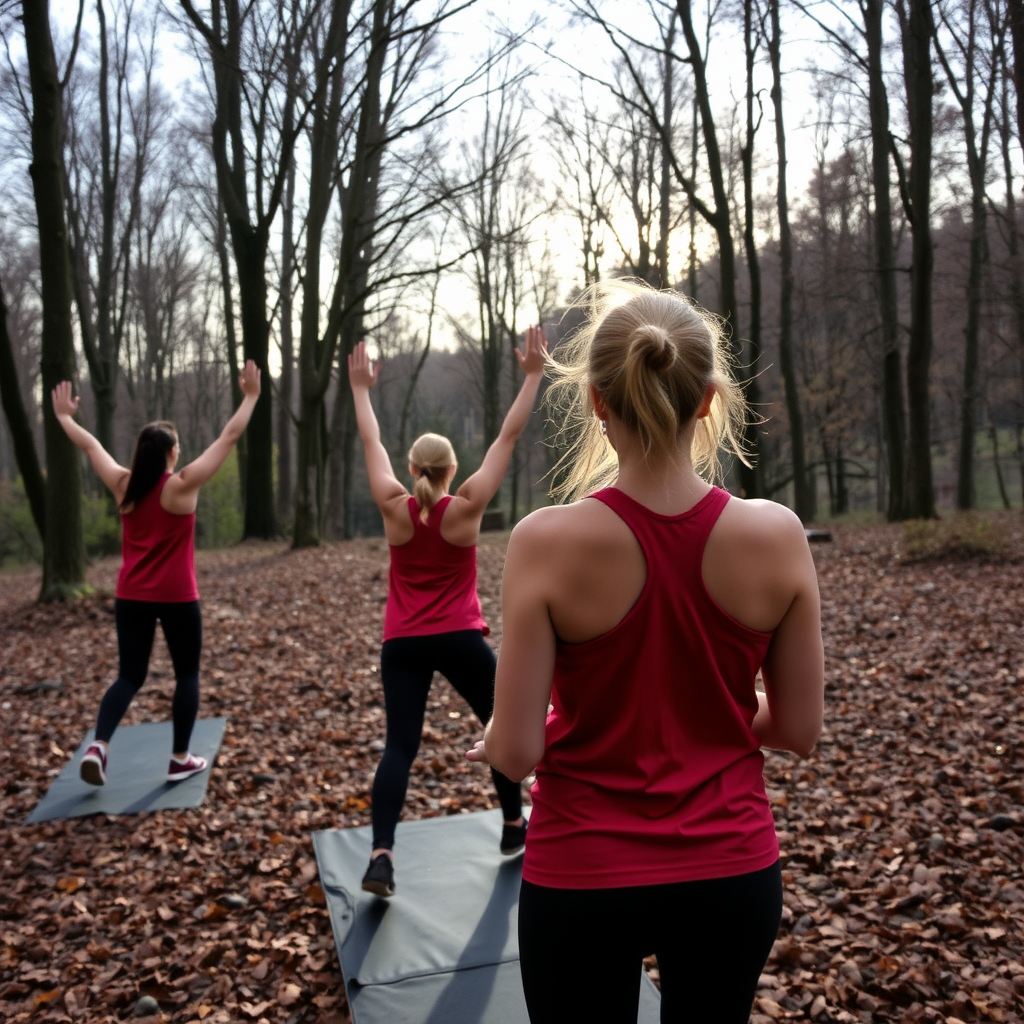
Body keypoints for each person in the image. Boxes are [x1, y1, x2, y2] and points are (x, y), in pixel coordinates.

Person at [466, 280, 824, 1024]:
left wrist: (498, 734)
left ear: (598, 401)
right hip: (732, 875)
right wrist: (709, 706)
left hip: (582, 877)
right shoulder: (778, 534)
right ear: (709, 400)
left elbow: (518, 753)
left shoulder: (544, 542)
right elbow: (797, 729)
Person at [348, 326, 548, 898]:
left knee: (399, 747)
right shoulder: (465, 510)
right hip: (460, 638)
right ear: (451, 470)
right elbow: (508, 436)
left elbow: (371, 441)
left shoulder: (394, 508)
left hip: (403, 644)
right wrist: (532, 375)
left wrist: (361, 390)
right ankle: (512, 825)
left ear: (413, 469)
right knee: (499, 725)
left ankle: (381, 857)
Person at [51, 361, 261, 786]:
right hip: (178, 597)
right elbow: (229, 436)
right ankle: (180, 758)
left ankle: (98, 745)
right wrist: (251, 396)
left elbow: (91, 447)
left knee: (130, 675)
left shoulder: (123, 485)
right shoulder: (181, 486)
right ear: (171, 453)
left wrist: (64, 418)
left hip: (131, 596)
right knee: (187, 675)